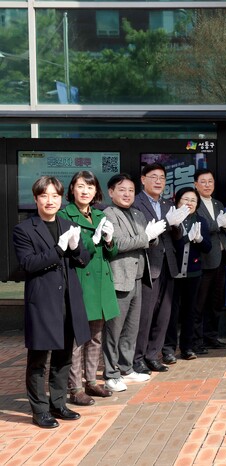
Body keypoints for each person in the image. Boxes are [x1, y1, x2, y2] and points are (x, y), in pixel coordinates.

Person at [13, 176, 91, 428]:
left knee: (64, 356)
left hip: (69, 300)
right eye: (44, 195)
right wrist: (58, 249)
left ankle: (58, 404)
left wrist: (76, 248)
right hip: (43, 302)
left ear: (60, 198)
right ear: (36, 198)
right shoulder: (24, 229)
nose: (50, 201)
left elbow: (84, 259)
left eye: (55, 196)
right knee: (38, 359)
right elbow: (28, 264)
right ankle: (40, 410)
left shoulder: (68, 225)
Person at [57, 171, 120, 406]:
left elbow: (110, 254)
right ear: (72, 189)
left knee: (95, 336)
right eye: (81, 186)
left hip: (101, 283)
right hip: (80, 282)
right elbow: (72, 252)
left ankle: (91, 381)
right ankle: (75, 387)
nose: (85, 191)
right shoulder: (64, 215)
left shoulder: (99, 214)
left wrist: (109, 241)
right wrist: (91, 242)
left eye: (90, 187)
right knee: (77, 339)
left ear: (96, 192)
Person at [103, 174, 166, 392]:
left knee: (131, 328)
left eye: (130, 190)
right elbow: (119, 243)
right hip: (120, 278)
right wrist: (147, 237)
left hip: (139, 277)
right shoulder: (108, 214)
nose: (127, 194)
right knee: (114, 330)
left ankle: (126, 368)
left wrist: (152, 236)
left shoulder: (137, 213)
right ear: (111, 192)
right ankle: (110, 373)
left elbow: (148, 240)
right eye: (122, 190)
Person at [132, 163, 188, 373]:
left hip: (168, 264)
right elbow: (142, 232)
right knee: (145, 314)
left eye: (162, 178)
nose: (158, 181)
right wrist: (167, 221)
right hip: (148, 264)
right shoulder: (136, 203)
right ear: (143, 179)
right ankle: (137, 358)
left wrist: (177, 224)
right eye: (153, 177)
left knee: (164, 314)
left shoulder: (167, 203)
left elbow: (176, 236)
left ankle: (153, 355)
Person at [164, 187, 212, 360]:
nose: (189, 203)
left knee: (189, 311)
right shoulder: (171, 219)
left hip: (193, 273)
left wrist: (199, 239)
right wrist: (186, 238)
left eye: (193, 200)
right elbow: (171, 246)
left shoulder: (201, 221)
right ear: (177, 201)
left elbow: (207, 247)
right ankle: (168, 349)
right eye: (185, 199)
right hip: (173, 273)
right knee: (171, 312)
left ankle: (187, 347)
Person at [192, 169, 226, 355]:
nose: (207, 185)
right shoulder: (194, 203)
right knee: (199, 303)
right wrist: (219, 224)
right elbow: (202, 227)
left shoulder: (218, 203)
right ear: (196, 184)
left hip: (221, 259)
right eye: (203, 181)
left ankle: (211, 337)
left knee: (216, 302)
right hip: (204, 260)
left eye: (210, 181)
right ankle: (196, 341)